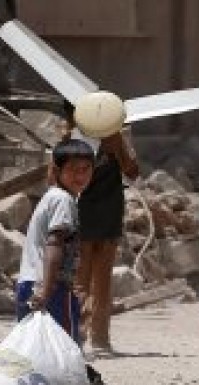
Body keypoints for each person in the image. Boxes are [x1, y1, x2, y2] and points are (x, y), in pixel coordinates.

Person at [16, 138, 94, 385]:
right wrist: (48, 291)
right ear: (56, 170)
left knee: (36, 356)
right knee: (63, 355)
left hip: (30, 284)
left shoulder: (51, 197)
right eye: (74, 169)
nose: (80, 176)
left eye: (86, 169)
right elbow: (54, 246)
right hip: (49, 290)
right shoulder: (63, 200)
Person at [60, 102, 139, 353]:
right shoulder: (76, 141)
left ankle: (92, 338)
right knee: (88, 281)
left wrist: (118, 150)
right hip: (88, 216)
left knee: (92, 281)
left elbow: (131, 172)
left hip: (103, 215)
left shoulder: (104, 139)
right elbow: (132, 172)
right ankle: (86, 337)